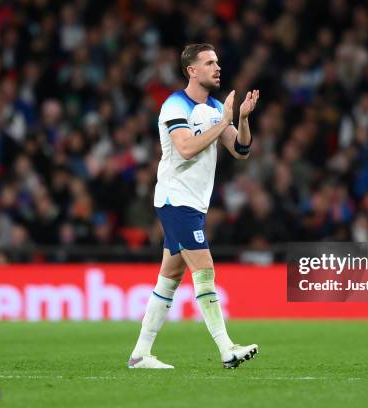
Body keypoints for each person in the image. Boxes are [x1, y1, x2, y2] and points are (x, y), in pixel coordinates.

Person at [128, 43, 260, 369]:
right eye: (210, 62)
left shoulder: (216, 107)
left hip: (194, 202)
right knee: (205, 271)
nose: (218, 68)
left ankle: (141, 354)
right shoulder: (175, 105)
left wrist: (240, 119)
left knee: (170, 277)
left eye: (217, 61)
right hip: (176, 199)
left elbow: (240, 150)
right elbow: (185, 148)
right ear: (192, 70)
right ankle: (227, 348)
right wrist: (223, 119)